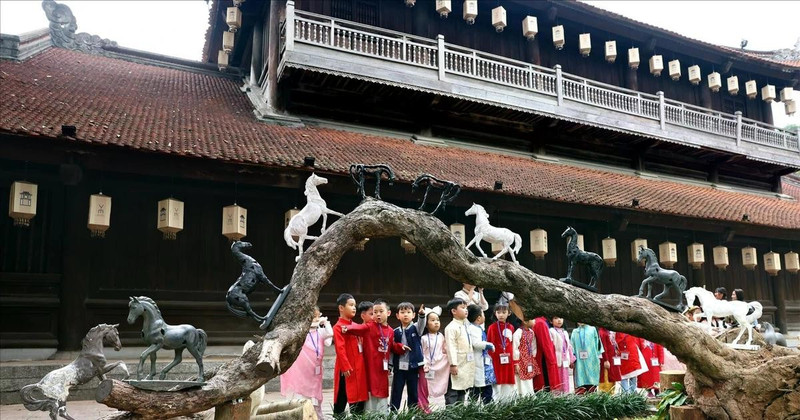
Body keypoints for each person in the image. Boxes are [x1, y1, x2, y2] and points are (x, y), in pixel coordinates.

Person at [279, 306, 332, 419]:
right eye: (312, 317)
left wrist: (326, 323)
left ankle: (316, 416)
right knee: (300, 396)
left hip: (314, 371)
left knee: (316, 399)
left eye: (317, 316)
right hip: (301, 370)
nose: (315, 319)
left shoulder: (320, 332)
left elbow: (329, 338)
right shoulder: (300, 334)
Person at [352, 299, 401, 414]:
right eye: (375, 312)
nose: (378, 314)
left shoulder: (390, 331)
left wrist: (400, 347)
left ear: (388, 313)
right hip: (371, 366)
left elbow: (391, 345)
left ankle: (383, 414)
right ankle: (370, 415)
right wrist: (346, 328)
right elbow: (358, 329)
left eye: (381, 311)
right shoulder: (370, 326)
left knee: (383, 390)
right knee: (371, 390)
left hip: (382, 367)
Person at [332, 294, 368, 415]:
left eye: (355, 305)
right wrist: (345, 366)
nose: (354, 308)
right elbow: (340, 348)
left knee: (358, 397)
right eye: (351, 305)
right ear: (341, 308)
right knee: (343, 395)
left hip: (359, 367)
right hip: (346, 369)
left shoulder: (356, 326)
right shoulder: (338, 327)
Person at [390, 302, 425, 411]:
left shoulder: (416, 328)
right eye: (402, 312)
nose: (406, 315)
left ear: (413, 315)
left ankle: (412, 412)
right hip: (399, 366)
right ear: (397, 315)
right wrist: (390, 365)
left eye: (409, 312)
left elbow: (421, 324)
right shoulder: (395, 332)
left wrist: (422, 316)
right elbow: (391, 349)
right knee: (396, 390)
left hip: (413, 366)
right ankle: (393, 411)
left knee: (413, 390)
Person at [444, 298, 473, 405]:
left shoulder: (465, 325)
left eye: (466, 308)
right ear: (454, 311)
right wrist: (453, 364)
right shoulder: (451, 327)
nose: (466, 310)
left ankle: (460, 414)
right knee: (453, 391)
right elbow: (450, 347)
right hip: (457, 363)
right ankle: (451, 414)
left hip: (466, 363)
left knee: (462, 389)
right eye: (462, 307)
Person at [486, 298, 516, 400]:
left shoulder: (511, 327)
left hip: (508, 357)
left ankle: (508, 400)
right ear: (495, 313)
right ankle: (498, 400)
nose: (501, 315)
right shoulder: (492, 327)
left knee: (507, 380)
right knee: (497, 380)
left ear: (509, 313)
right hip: (496, 358)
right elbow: (489, 343)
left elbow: (512, 343)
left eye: (504, 312)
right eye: (498, 312)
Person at [419, 306, 447, 413]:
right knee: (423, 388)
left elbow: (444, 350)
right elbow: (421, 352)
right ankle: (423, 409)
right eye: (432, 320)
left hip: (439, 365)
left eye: (437, 320)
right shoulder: (423, 338)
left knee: (437, 385)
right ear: (426, 323)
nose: (436, 322)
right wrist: (424, 363)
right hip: (425, 367)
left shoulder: (441, 336)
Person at [466, 304, 495, 404]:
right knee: (479, 388)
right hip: (478, 363)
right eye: (483, 314)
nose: (484, 316)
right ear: (478, 318)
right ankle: (480, 407)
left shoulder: (477, 328)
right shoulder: (473, 329)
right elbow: (476, 343)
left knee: (484, 387)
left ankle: (486, 405)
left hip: (483, 362)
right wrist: (489, 345)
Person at [570, 323, 602, 394]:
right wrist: (572, 359)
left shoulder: (593, 329)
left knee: (592, 385)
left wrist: (599, 358)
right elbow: (571, 347)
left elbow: (598, 345)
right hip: (579, 363)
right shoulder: (575, 331)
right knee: (580, 384)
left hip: (592, 361)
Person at [512, 317, 538, 396]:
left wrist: (533, 356)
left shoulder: (531, 332)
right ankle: (522, 395)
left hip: (529, 359)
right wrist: (516, 362)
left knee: (529, 379)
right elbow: (515, 347)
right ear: (525, 321)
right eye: (532, 319)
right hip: (521, 359)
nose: (534, 321)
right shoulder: (518, 332)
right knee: (520, 379)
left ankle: (529, 394)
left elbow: (533, 346)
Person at [549, 316, 575, 393]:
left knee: (565, 378)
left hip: (565, 360)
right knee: (557, 378)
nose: (559, 320)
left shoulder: (565, 332)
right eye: (556, 318)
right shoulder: (551, 331)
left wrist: (571, 359)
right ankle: (557, 395)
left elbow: (569, 347)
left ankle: (565, 394)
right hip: (557, 359)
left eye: (561, 318)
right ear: (551, 321)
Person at [532, 316, 560, 391]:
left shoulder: (539, 321)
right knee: (544, 385)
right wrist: (552, 360)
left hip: (541, 357)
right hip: (543, 359)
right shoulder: (540, 323)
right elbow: (546, 344)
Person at [597, 327, 621, 394]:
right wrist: (605, 360)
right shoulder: (602, 332)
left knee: (612, 377)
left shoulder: (608, 331)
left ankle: (611, 394)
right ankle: (605, 396)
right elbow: (603, 348)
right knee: (606, 379)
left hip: (612, 359)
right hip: (607, 360)